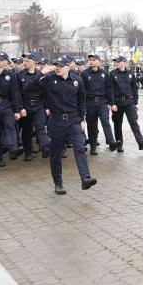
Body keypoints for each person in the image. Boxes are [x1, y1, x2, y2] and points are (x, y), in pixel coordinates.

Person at [38, 56, 97, 194]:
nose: (58, 68)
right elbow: (29, 88)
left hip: (73, 120)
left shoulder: (77, 80)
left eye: (61, 65)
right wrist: (41, 74)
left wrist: (81, 119)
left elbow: (81, 101)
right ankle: (58, 183)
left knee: (79, 147)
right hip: (56, 121)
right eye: (56, 65)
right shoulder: (49, 79)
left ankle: (85, 178)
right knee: (56, 154)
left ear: (69, 66)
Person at [108, 55, 143, 152]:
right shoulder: (112, 74)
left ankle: (140, 142)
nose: (116, 63)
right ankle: (119, 144)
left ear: (124, 63)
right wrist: (112, 103)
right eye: (115, 61)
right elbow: (110, 90)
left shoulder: (130, 73)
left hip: (129, 102)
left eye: (118, 61)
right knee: (118, 124)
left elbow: (134, 89)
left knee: (133, 121)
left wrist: (136, 102)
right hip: (117, 102)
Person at [81, 54, 118, 155]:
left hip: (102, 102)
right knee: (92, 125)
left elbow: (109, 89)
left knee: (105, 121)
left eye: (93, 60)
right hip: (90, 102)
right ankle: (93, 146)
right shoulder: (84, 74)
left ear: (99, 62)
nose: (91, 61)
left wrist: (110, 103)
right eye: (90, 60)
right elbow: (82, 91)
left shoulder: (104, 73)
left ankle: (111, 142)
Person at [17, 53, 50, 161]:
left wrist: (47, 107)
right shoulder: (20, 74)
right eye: (24, 61)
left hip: (39, 104)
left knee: (40, 127)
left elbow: (46, 92)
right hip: (26, 105)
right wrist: (20, 107)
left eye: (27, 61)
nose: (24, 63)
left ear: (34, 62)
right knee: (27, 130)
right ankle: (28, 152)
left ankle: (45, 147)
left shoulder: (42, 75)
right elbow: (22, 89)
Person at [0, 52, 22, 166]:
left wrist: (17, 111)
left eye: (1, 59)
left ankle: (13, 148)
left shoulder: (11, 76)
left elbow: (14, 94)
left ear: (6, 62)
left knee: (10, 125)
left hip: (6, 105)